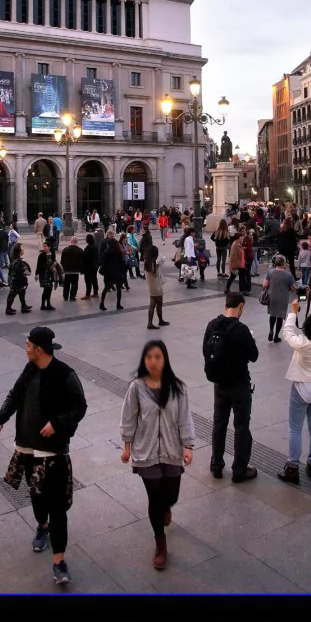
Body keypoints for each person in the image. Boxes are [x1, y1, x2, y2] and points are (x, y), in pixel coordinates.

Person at [0, 327, 87, 585]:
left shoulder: (65, 375)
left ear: (39, 349)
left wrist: (57, 423)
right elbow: (14, 395)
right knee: (36, 495)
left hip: (52, 451)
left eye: (28, 345)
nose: (26, 348)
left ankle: (59, 561)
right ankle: (42, 526)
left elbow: (80, 407)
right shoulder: (29, 370)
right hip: (27, 448)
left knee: (56, 506)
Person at [119, 340, 194, 571]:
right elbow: (129, 417)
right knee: (154, 498)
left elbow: (184, 417)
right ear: (144, 360)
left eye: (157, 357)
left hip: (172, 450)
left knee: (171, 494)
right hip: (146, 450)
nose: (153, 361)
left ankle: (166, 507)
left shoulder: (178, 388)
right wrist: (127, 445)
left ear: (165, 359)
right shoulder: (136, 387)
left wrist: (188, 446)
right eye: (149, 357)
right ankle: (160, 545)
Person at [204, 291, 260, 483]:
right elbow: (254, 356)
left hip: (219, 384)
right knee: (241, 425)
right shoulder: (241, 329)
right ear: (241, 306)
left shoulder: (212, 325)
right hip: (239, 384)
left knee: (219, 424)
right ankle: (239, 470)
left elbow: (205, 351)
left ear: (225, 305)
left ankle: (216, 465)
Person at [276, 300, 311, 484]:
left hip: (302, 388)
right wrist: (309, 303)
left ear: (308, 328)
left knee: (295, 428)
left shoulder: (302, 344)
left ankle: (292, 467)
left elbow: (287, 332)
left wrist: (293, 311)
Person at [262, 255, 297, 342]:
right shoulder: (288, 275)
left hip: (272, 297)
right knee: (280, 317)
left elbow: (265, 284)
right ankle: (276, 336)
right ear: (283, 263)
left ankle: (270, 331)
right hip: (283, 298)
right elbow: (293, 289)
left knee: (272, 315)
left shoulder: (270, 272)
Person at [142, 244, 170, 330]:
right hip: (156, 286)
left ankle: (150, 323)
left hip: (151, 286)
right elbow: (155, 274)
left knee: (152, 304)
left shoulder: (146, 261)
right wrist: (160, 263)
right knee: (159, 304)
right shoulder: (151, 263)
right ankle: (160, 320)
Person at [98, 233, 126, 311]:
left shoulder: (106, 253)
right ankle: (118, 304)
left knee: (106, 288)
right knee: (118, 288)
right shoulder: (118, 253)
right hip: (117, 272)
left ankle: (102, 303)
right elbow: (121, 263)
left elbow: (103, 262)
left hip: (108, 272)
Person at [5, 244, 32, 315]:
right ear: (19, 251)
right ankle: (8, 309)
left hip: (17, 280)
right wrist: (24, 270)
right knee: (12, 294)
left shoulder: (16, 259)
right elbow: (17, 271)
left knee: (22, 293)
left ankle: (24, 306)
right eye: (22, 249)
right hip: (17, 280)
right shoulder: (18, 261)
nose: (23, 250)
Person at [36, 244, 57, 312]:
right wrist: (36, 274)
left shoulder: (52, 254)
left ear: (49, 247)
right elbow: (38, 265)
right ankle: (43, 305)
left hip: (50, 274)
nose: (44, 248)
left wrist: (54, 264)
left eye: (45, 246)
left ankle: (48, 304)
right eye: (43, 246)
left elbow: (54, 261)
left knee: (50, 289)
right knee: (46, 289)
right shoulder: (41, 255)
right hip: (44, 274)